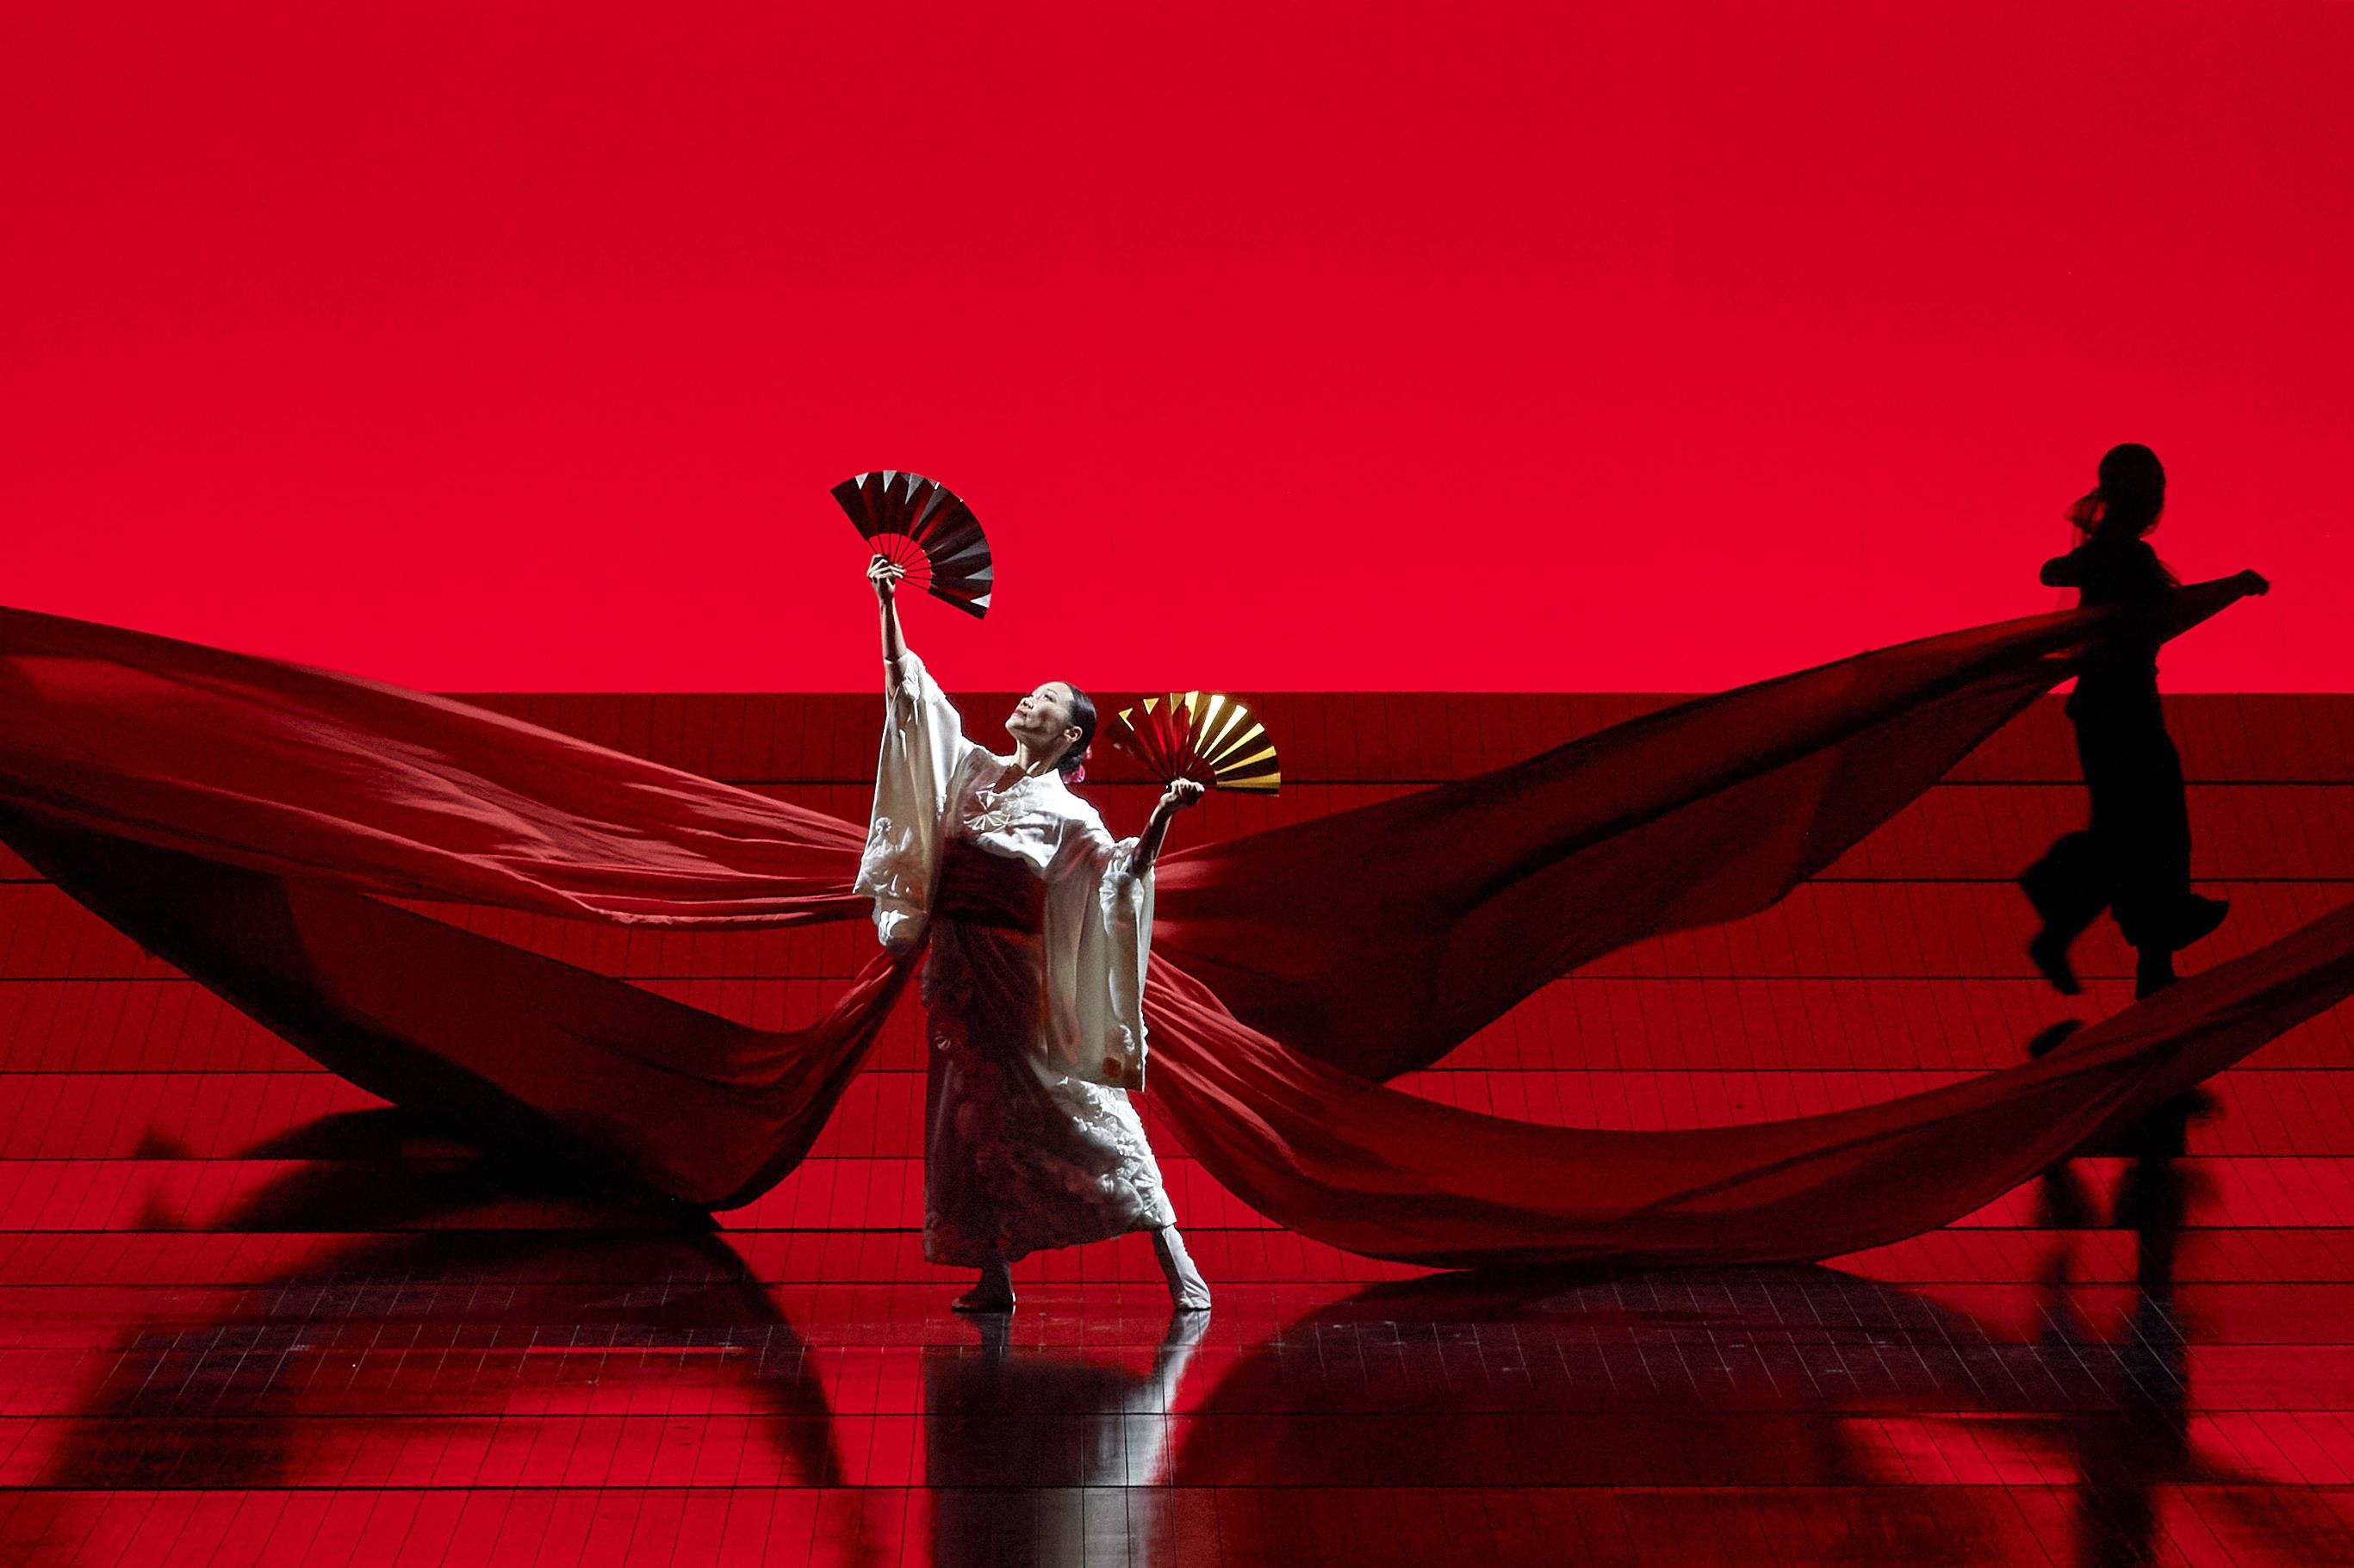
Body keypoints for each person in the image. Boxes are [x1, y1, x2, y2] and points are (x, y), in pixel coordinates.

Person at [854, 554, 1213, 1313]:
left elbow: (1117, 877)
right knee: (967, 1114)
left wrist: (1160, 816)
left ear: (1074, 732)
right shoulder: (971, 773)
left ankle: (1174, 1253)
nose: (1029, 699)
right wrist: (888, 603)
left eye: (1048, 698)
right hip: (957, 971)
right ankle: (994, 1274)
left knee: (1075, 1106)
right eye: (1030, 691)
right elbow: (911, 701)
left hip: (1015, 980)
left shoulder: (1069, 814)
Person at [2020, 443, 2269, 999]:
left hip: (2110, 707)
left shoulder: (2116, 552)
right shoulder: (2124, 555)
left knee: (2130, 829)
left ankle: (2138, 954)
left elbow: (2060, 573)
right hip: (2120, 709)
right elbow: (2148, 605)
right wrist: (2232, 587)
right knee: (2150, 825)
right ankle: (2143, 952)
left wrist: (2228, 587)